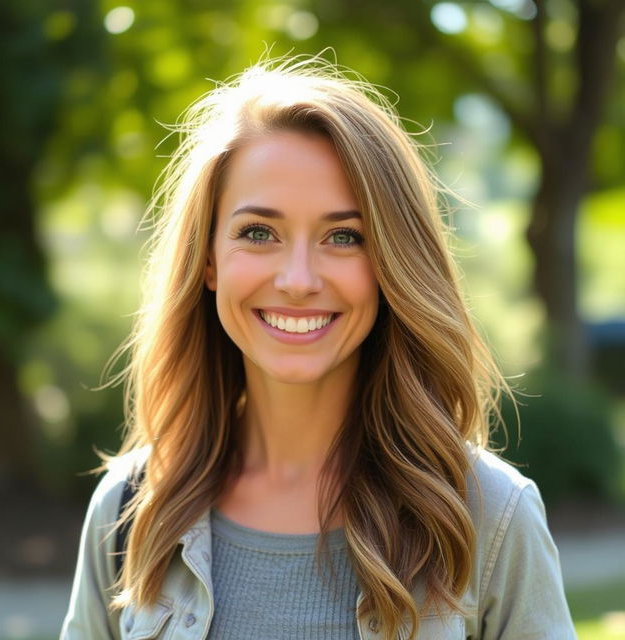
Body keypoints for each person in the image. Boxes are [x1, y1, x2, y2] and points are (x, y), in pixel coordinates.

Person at [61, 56, 575, 640]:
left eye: (344, 237)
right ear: (208, 261)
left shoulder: (489, 517)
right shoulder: (131, 508)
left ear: (391, 266)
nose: (299, 279)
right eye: (259, 232)